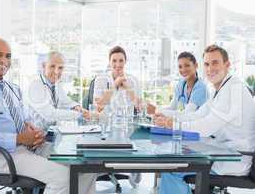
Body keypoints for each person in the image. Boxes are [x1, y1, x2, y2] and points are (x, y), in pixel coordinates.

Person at [0, 38, 96, 194]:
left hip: (31, 147)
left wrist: (35, 132)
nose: (4, 60)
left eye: (8, 56)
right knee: (62, 177)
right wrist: (20, 139)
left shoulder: (12, 88)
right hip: (1, 156)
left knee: (86, 166)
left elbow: (24, 119)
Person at [155, 45, 255, 194]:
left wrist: (174, 124)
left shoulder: (234, 89)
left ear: (227, 65)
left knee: (171, 169)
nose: (210, 69)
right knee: (173, 162)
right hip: (222, 152)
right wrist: (166, 117)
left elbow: (206, 127)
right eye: (207, 64)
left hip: (234, 159)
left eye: (215, 63)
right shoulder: (218, 88)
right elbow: (198, 115)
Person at [24, 51, 91, 127]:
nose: (56, 71)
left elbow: (66, 101)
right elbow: (49, 114)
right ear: (43, 66)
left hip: (49, 133)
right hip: (33, 135)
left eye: (60, 68)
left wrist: (77, 108)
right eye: (52, 66)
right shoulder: (35, 85)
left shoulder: (55, 84)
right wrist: (80, 115)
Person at [148, 51, 208, 126]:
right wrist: (156, 111)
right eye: (180, 67)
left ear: (196, 66)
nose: (183, 69)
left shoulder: (201, 87)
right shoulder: (181, 84)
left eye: (187, 65)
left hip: (196, 128)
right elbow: (172, 107)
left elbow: (187, 114)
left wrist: (156, 110)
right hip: (183, 126)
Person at [93, 45, 140, 112]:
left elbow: (139, 108)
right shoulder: (100, 79)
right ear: (109, 62)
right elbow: (97, 109)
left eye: (121, 61)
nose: (118, 64)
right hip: (105, 121)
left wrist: (128, 88)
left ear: (125, 61)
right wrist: (114, 86)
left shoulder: (133, 80)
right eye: (114, 61)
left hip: (127, 121)